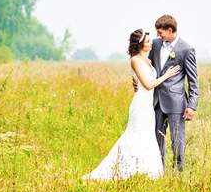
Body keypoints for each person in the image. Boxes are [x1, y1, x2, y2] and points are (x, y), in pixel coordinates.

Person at [83, 29, 180, 180]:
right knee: (135, 135)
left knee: (147, 136)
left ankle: (146, 171)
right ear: (141, 44)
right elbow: (147, 85)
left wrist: (135, 81)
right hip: (140, 104)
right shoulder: (135, 60)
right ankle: (125, 169)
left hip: (149, 106)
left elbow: (138, 80)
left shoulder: (148, 61)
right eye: (148, 41)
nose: (151, 43)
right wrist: (167, 75)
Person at [147, 15, 199, 172]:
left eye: (160, 32)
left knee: (177, 142)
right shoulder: (155, 44)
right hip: (156, 102)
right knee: (156, 141)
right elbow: (148, 66)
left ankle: (178, 173)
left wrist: (192, 105)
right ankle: (158, 172)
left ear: (170, 30)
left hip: (176, 103)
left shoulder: (186, 49)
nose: (158, 35)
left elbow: (193, 80)